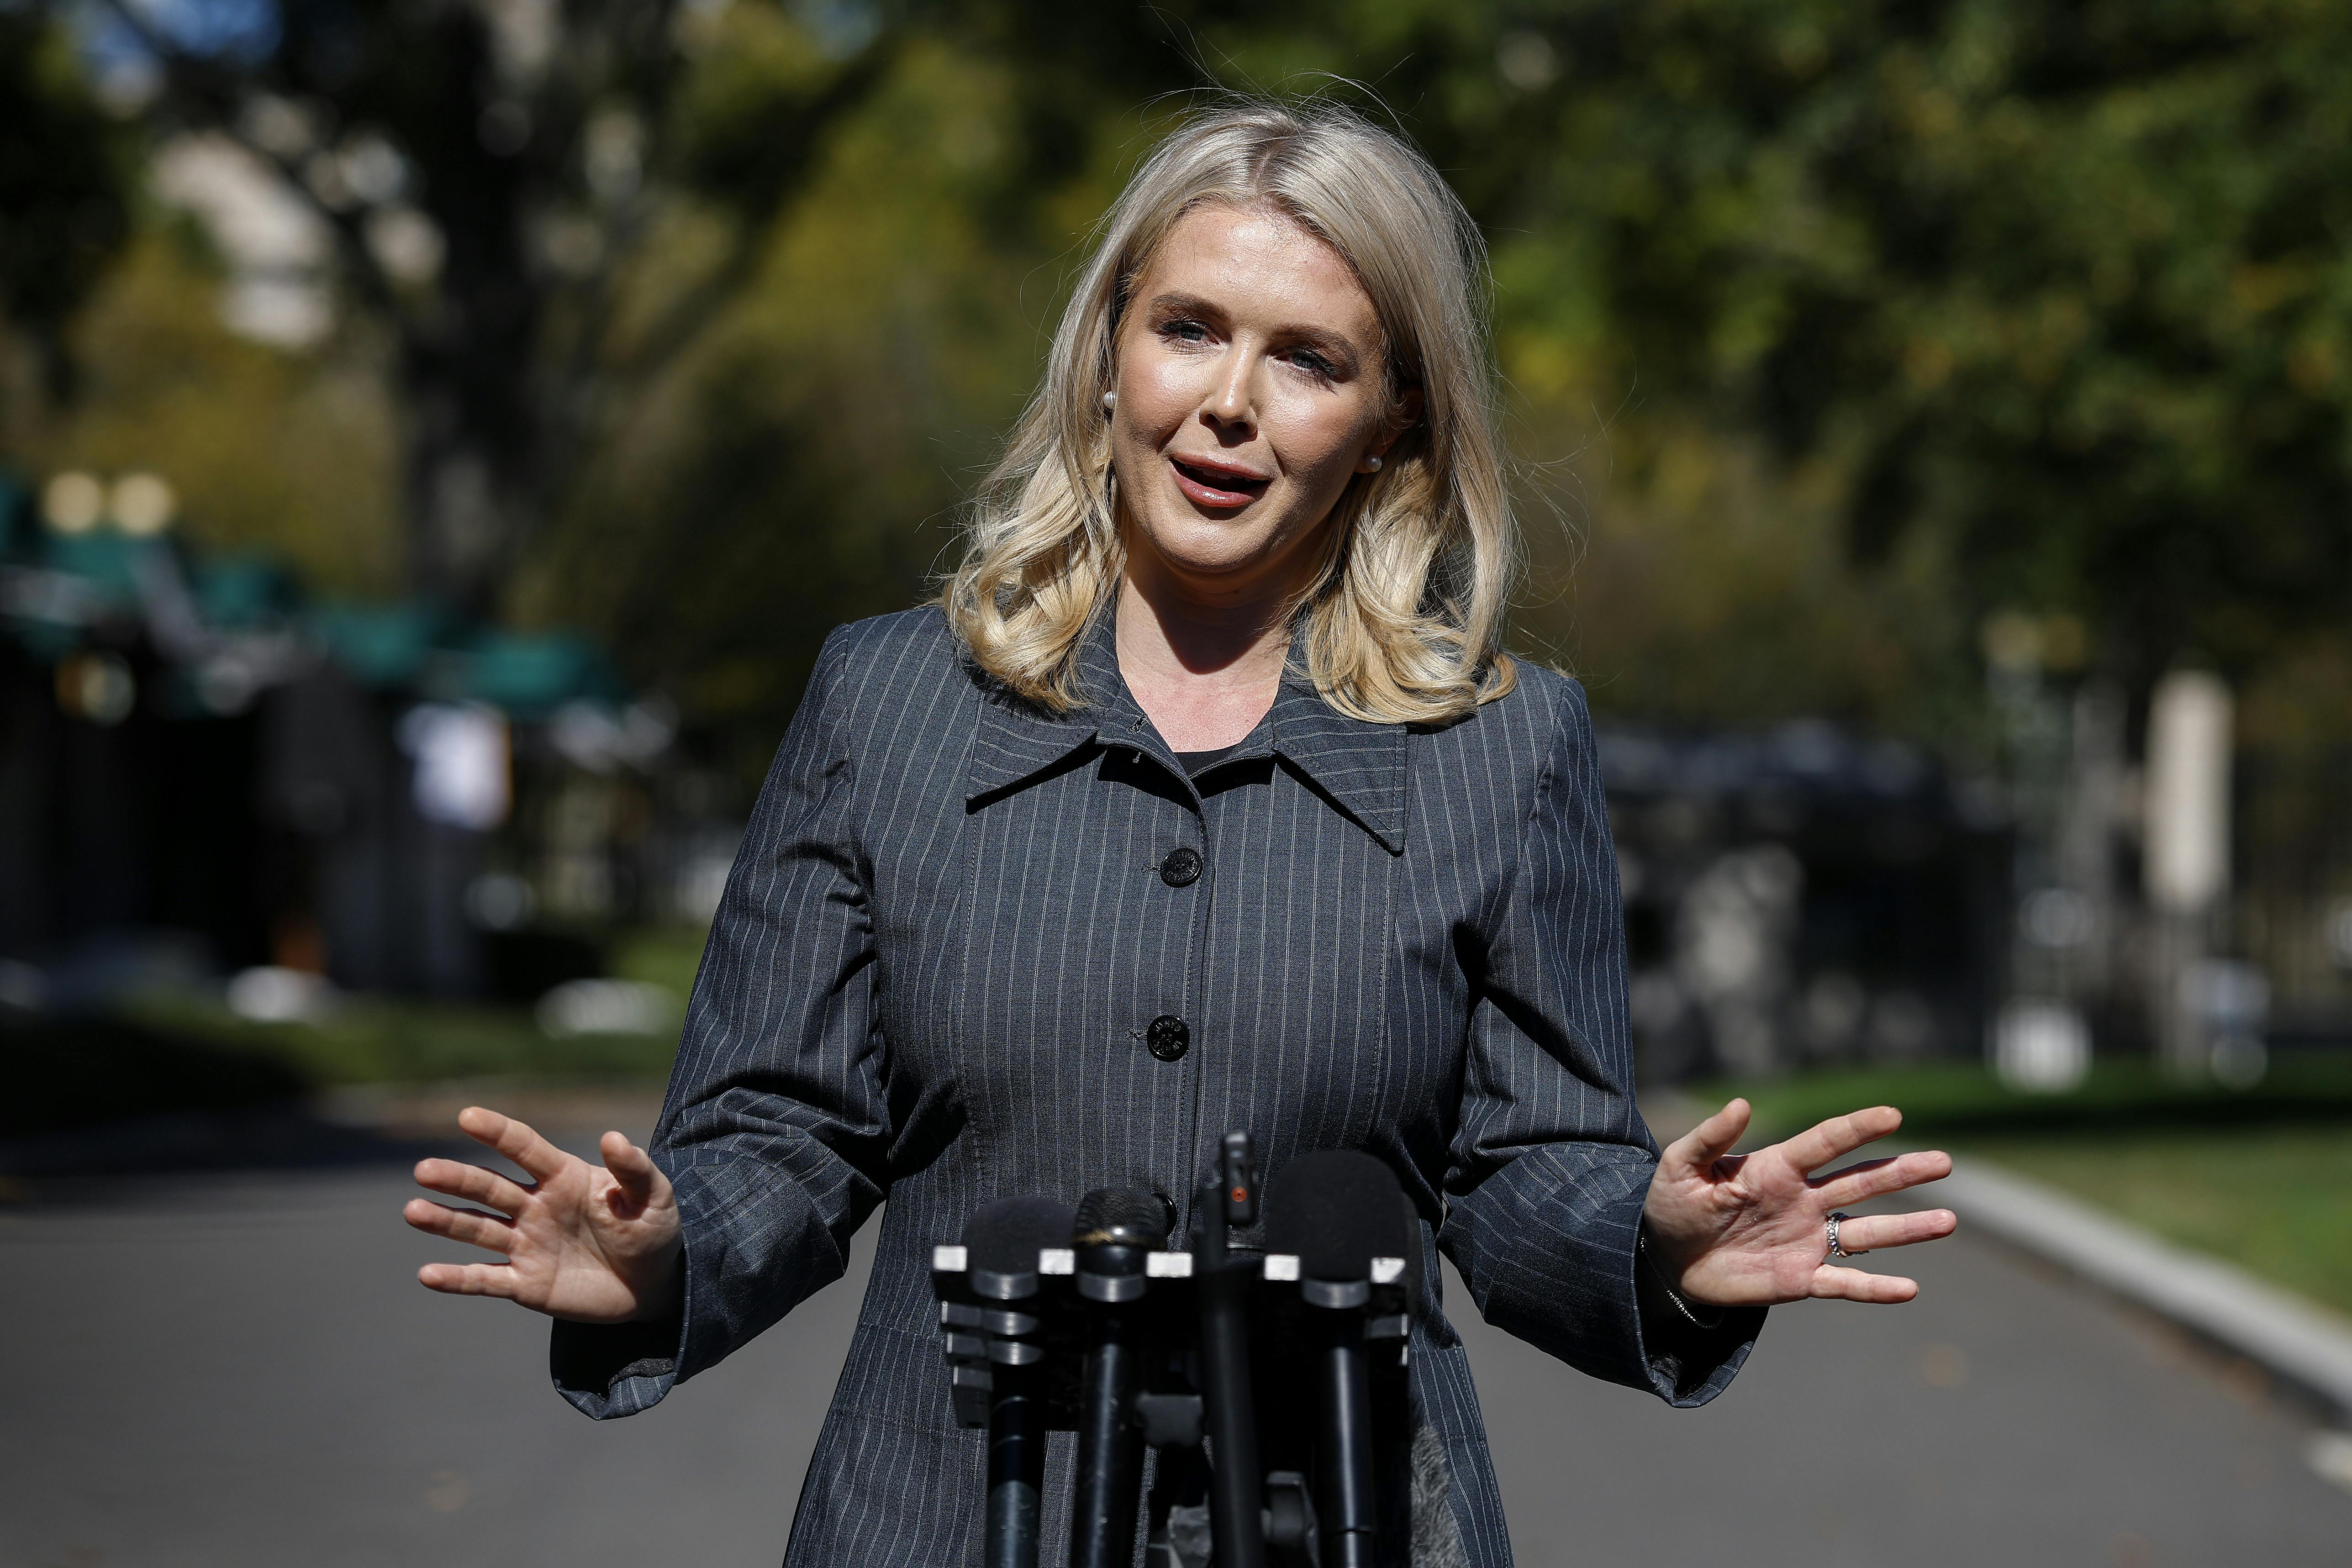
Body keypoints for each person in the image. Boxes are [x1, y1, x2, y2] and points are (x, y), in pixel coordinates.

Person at [403, 99, 1957, 1565]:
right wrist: (663, 1256)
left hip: (1353, 1513)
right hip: (947, 1511)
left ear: (1394, 420)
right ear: (1107, 352)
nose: (1228, 401)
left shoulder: (1505, 744)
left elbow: (1528, 1163)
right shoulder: (884, 701)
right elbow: (781, 1130)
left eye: (1309, 359)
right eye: (1190, 329)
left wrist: (1651, 1244)